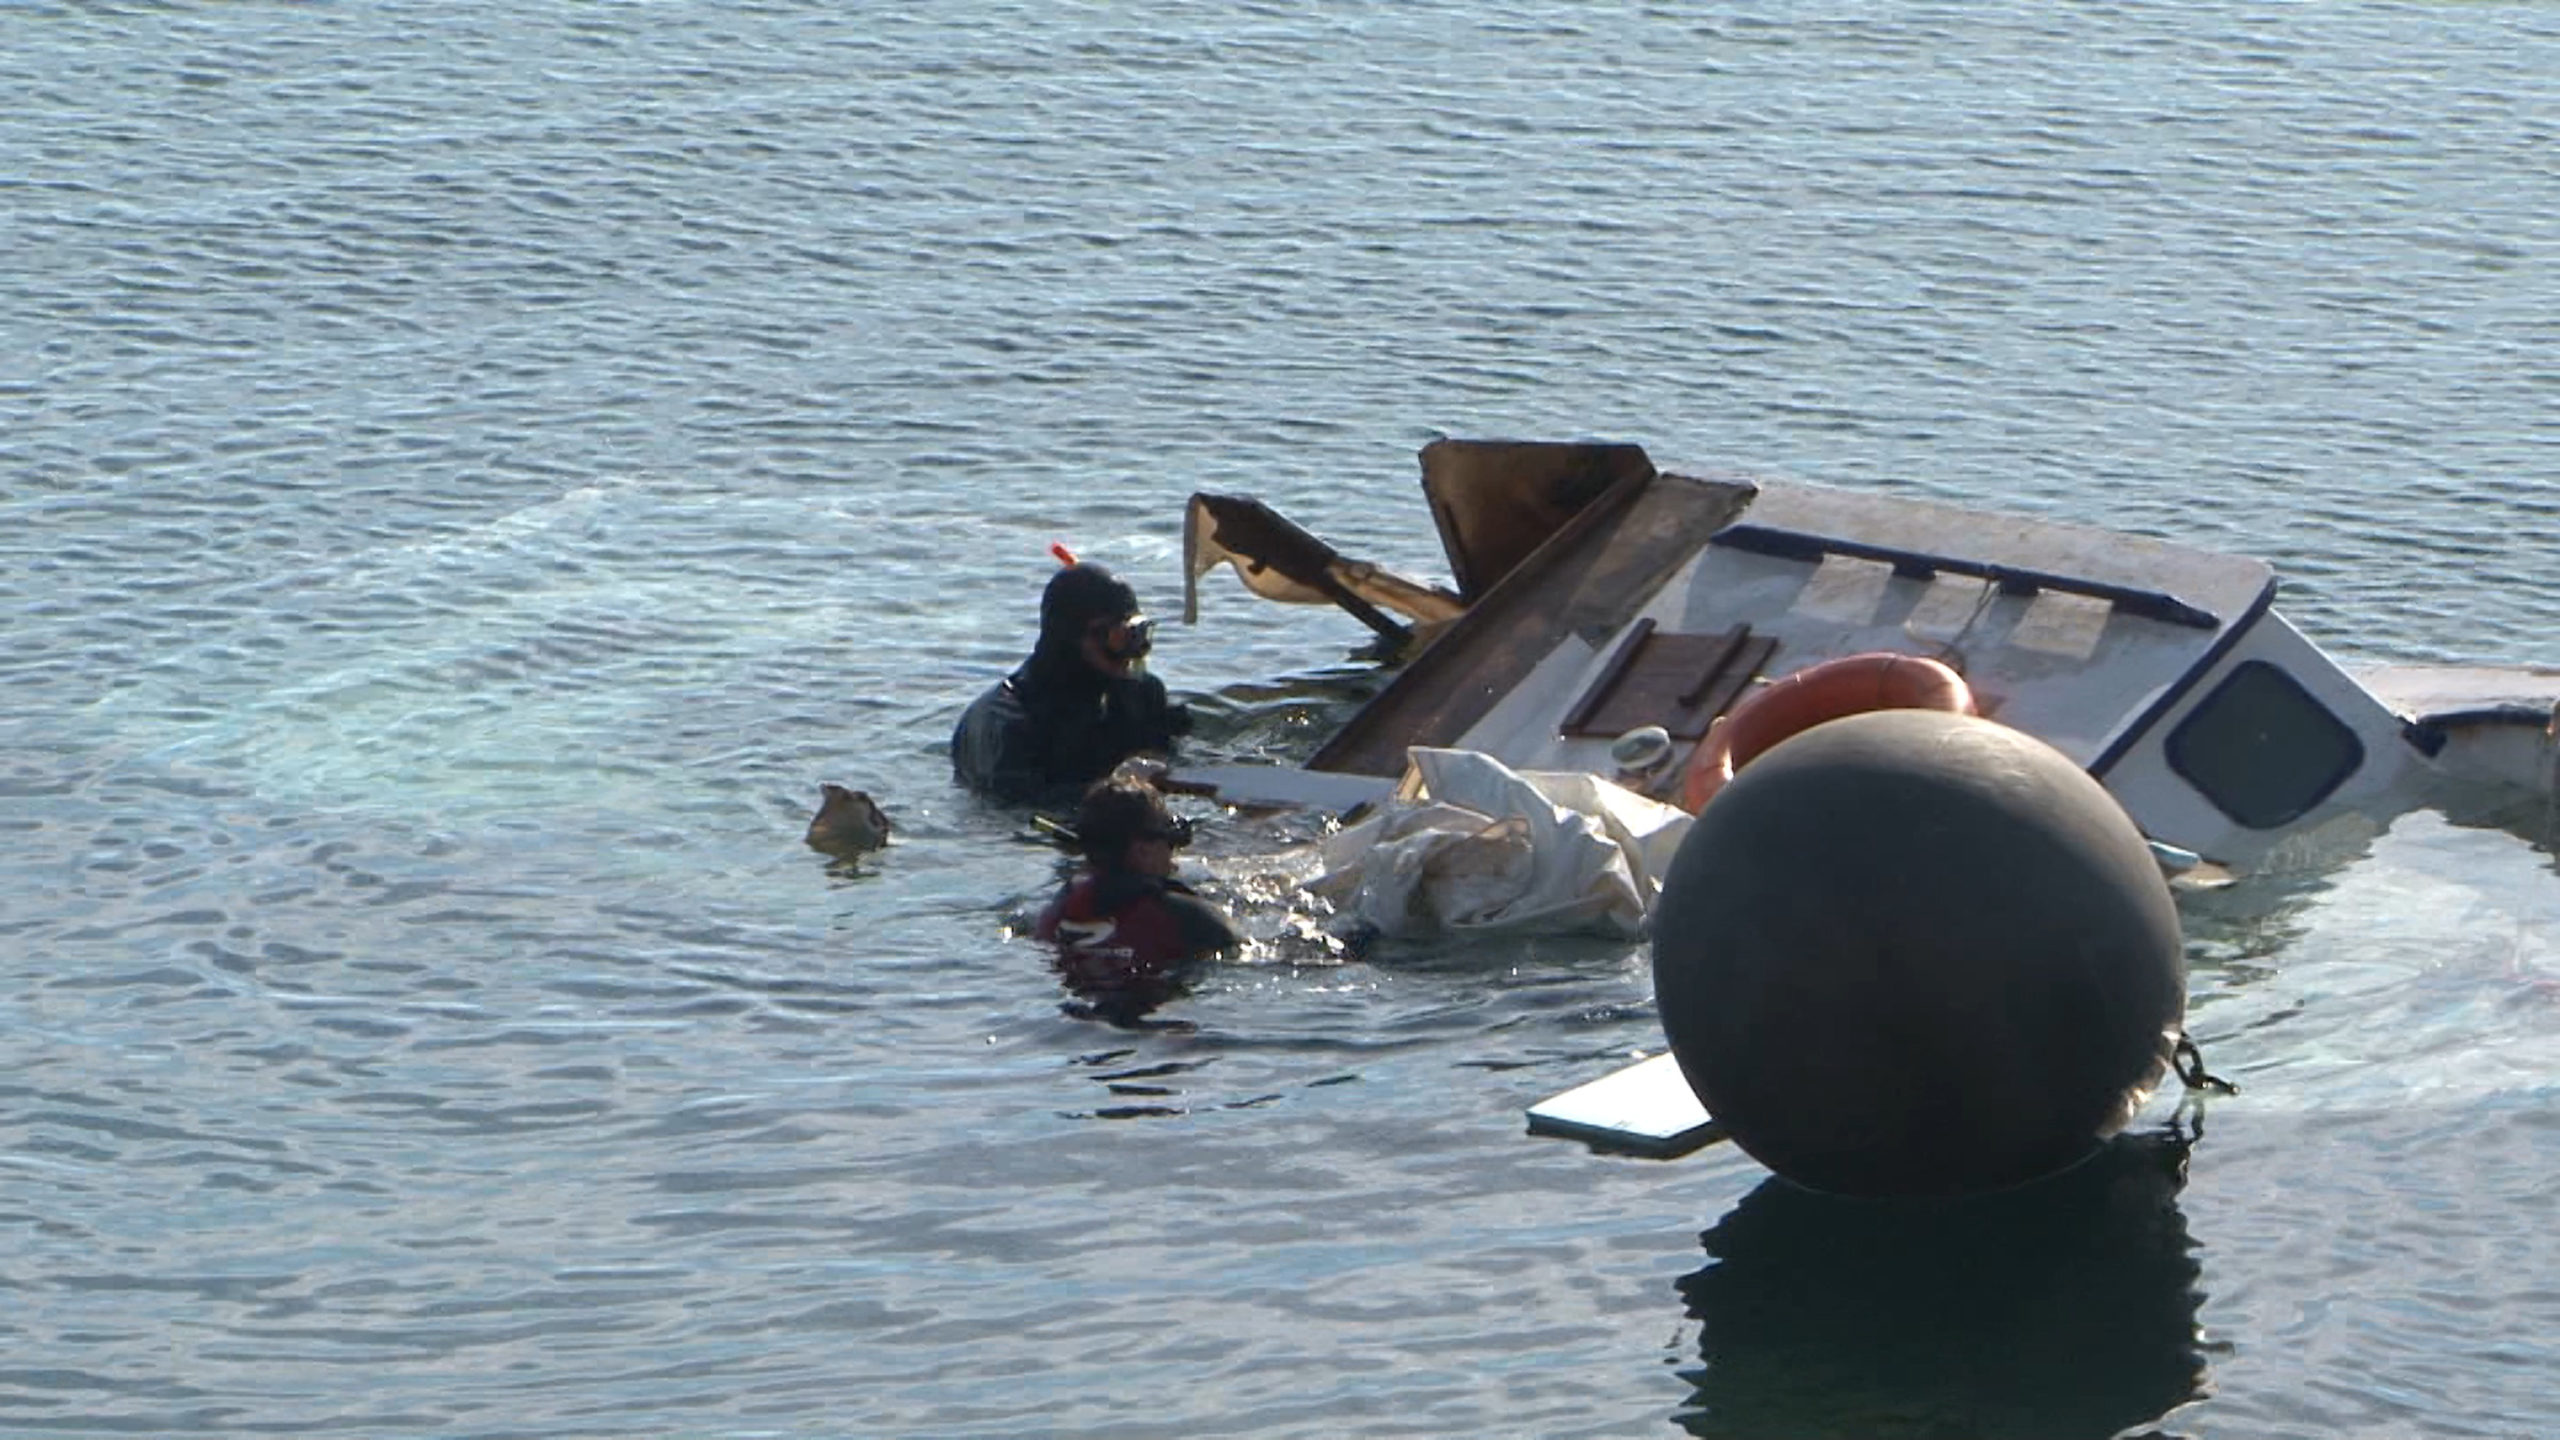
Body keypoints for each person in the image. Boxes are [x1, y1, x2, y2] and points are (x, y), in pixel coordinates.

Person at [950, 561, 1191, 805]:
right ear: (1068, 639)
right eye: (1120, 637)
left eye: (1138, 634)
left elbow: (1174, 760)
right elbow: (1013, 806)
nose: (1133, 651)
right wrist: (1121, 788)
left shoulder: (1140, 694)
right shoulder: (1005, 722)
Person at [1034, 776, 1243, 1022]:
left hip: (1078, 1017)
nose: (1173, 855)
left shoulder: (1054, 912)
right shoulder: (1186, 915)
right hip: (1155, 1011)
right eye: (1170, 841)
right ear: (1142, 849)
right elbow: (1236, 948)